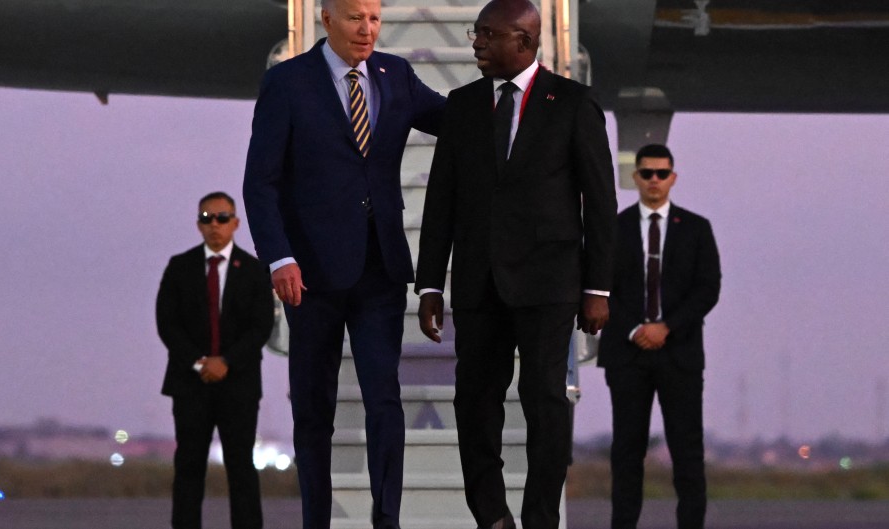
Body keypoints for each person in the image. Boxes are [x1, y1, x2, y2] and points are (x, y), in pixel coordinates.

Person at [241, 0, 445, 527]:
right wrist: (279, 256)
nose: (367, 28)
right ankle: (316, 520)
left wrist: (510, 97)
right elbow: (259, 182)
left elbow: (450, 118)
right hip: (308, 273)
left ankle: (386, 518)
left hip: (379, 267)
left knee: (385, 400)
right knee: (313, 410)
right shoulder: (288, 83)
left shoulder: (394, 74)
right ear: (326, 19)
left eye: (375, 18)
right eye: (356, 17)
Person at [414, 0, 617, 527]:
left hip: (550, 282)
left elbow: (599, 203)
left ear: (523, 42)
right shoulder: (462, 105)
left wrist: (599, 289)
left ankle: (540, 516)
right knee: (473, 402)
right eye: (474, 32)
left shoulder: (572, 103)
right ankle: (491, 515)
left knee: (545, 401)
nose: (476, 42)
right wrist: (430, 284)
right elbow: (442, 200)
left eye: (487, 34)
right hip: (480, 282)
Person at [597, 144, 721, 529]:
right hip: (627, 354)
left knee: (687, 454)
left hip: (679, 354)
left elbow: (708, 288)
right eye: (647, 173)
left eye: (661, 173)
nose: (654, 180)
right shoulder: (612, 228)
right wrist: (636, 329)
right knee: (626, 453)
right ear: (635, 177)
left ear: (673, 178)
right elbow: (599, 288)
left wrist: (666, 327)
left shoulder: (697, 228)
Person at [156, 191, 274, 529]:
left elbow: (260, 326)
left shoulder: (253, 271)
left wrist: (226, 362)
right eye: (207, 218)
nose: (214, 225)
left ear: (235, 223)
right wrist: (200, 362)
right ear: (198, 224)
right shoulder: (180, 267)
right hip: (191, 383)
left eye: (222, 218)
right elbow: (168, 323)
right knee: (189, 466)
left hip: (238, 384)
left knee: (241, 466)